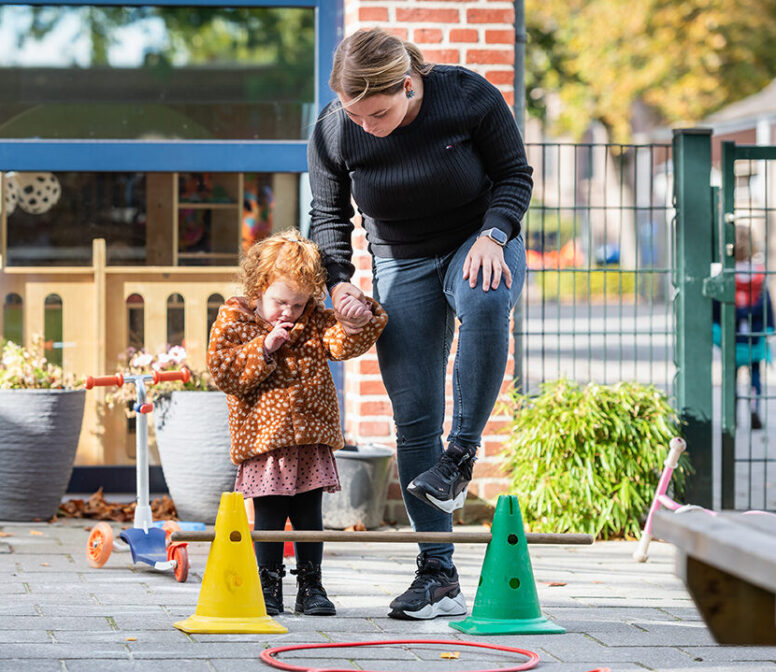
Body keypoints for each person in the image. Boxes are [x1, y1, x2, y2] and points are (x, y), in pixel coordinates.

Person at [307, 28, 532, 620]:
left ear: (408, 85)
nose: (365, 125)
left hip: (476, 240)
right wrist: (339, 281)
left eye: (377, 113)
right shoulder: (335, 127)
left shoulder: (467, 97)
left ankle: (459, 459)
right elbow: (327, 212)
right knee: (413, 418)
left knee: (485, 294)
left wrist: (494, 234)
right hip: (399, 259)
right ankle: (437, 574)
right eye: (356, 115)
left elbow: (515, 175)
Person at [207, 229, 387, 616]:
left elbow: (344, 344)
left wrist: (359, 318)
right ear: (258, 288)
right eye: (280, 302)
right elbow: (223, 371)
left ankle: (312, 586)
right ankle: (267, 585)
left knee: (309, 515)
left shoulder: (314, 322)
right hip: (266, 444)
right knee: (270, 515)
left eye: (299, 304)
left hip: (310, 439)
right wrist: (264, 347)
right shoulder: (235, 319)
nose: (288, 313)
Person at [712, 225, 774, 429]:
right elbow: (765, 302)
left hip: (733, 333)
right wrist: (769, 326)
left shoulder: (727, 274)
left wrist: (716, 325)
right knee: (755, 374)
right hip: (754, 334)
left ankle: (732, 412)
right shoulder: (757, 273)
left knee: (731, 375)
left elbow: (717, 304)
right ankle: (755, 406)